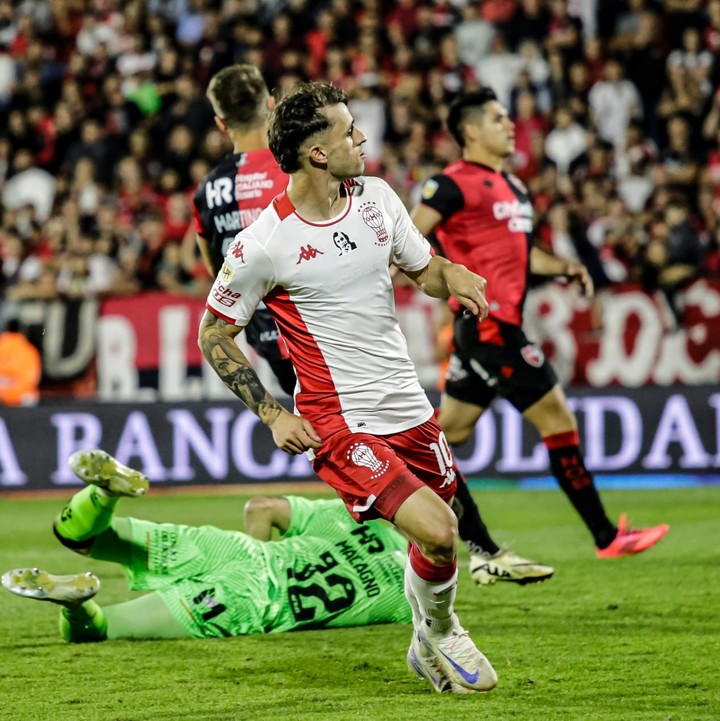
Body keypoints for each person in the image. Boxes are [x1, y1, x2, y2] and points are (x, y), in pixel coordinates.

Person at [198, 81, 497, 693]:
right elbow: (213, 335)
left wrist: (454, 273)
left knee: (444, 526)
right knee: (441, 530)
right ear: (316, 154)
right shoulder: (263, 244)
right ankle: (443, 631)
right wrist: (272, 414)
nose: (362, 138)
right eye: (348, 130)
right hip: (341, 421)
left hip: (409, 407)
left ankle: (424, 637)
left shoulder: (379, 199)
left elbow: (425, 270)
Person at [410, 88, 669, 561]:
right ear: (470, 131)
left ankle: (398, 500)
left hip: (490, 329)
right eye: (496, 118)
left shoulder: (515, 188)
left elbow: (523, 257)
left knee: (447, 435)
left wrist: (564, 267)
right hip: (490, 326)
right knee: (558, 419)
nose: (510, 124)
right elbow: (406, 238)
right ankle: (606, 537)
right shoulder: (449, 185)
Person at [2, 450, 418, 648]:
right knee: (105, 626)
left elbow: (262, 508)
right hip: (248, 603)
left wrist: (255, 559)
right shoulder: (411, 592)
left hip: (229, 550)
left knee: (77, 537)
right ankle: (77, 604)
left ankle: (103, 494)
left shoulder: (356, 516)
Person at [192, 64, 295, 396]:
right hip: (318, 330)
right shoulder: (297, 168)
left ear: (221, 123)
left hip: (267, 338)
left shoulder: (205, 192)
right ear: (269, 103)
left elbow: (216, 271)